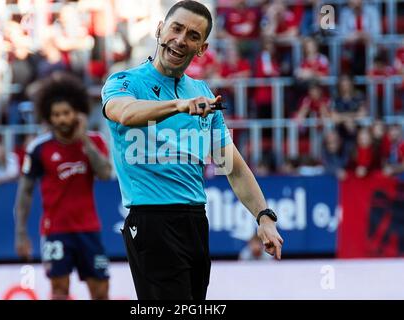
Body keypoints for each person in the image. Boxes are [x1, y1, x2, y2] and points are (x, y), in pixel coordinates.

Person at [101, 0, 283, 300]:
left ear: (202, 48)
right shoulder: (124, 82)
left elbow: (233, 166)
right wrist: (178, 106)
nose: (181, 39)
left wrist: (263, 217)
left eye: (193, 36)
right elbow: (124, 113)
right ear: (160, 30)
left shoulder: (203, 94)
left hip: (195, 222)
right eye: (176, 28)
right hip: (151, 221)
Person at [14, 72, 112, 300]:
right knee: (59, 291)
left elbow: (105, 174)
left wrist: (84, 141)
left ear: (77, 113)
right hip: (55, 230)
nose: (61, 119)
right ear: (48, 116)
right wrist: (20, 233)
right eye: (56, 115)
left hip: (88, 229)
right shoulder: (39, 148)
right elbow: (25, 193)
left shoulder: (94, 141)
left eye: (66, 113)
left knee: (100, 292)